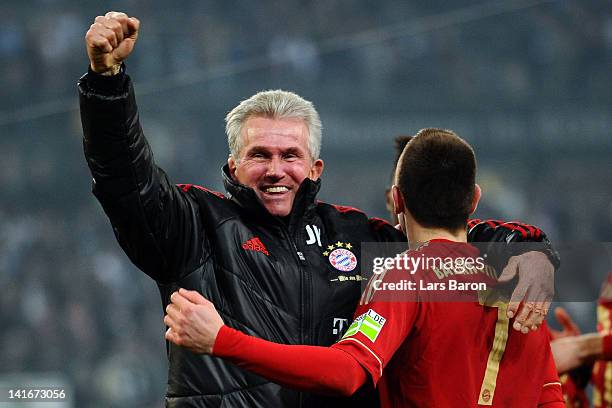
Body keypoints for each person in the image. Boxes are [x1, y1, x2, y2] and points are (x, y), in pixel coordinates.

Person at [80, 11, 559, 407]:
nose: (275, 170)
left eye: (290, 156)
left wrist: (532, 249)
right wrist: (107, 84)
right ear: (232, 164)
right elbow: (128, 183)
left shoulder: (360, 237)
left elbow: (448, 233)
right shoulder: (195, 226)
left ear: (315, 167)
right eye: (259, 155)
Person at [164, 129, 565, 407]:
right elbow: (549, 397)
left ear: (397, 200)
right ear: (475, 200)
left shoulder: (406, 274)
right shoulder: (525, 285)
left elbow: (347, 372)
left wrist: (222, 340)